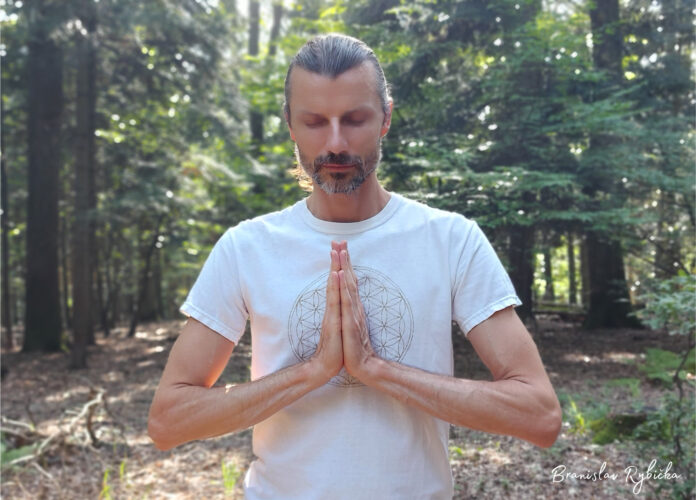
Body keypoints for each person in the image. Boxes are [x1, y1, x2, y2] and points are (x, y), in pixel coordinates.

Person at [148, 33, 562, 499]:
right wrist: (311, 372)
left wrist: (377, 370)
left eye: (354, 119)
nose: (335, 143)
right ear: (290, 125)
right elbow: (168, 421)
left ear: (386, 117)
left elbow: (539, 415)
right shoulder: (246, 248)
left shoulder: (451, 241)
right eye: (314, 122)